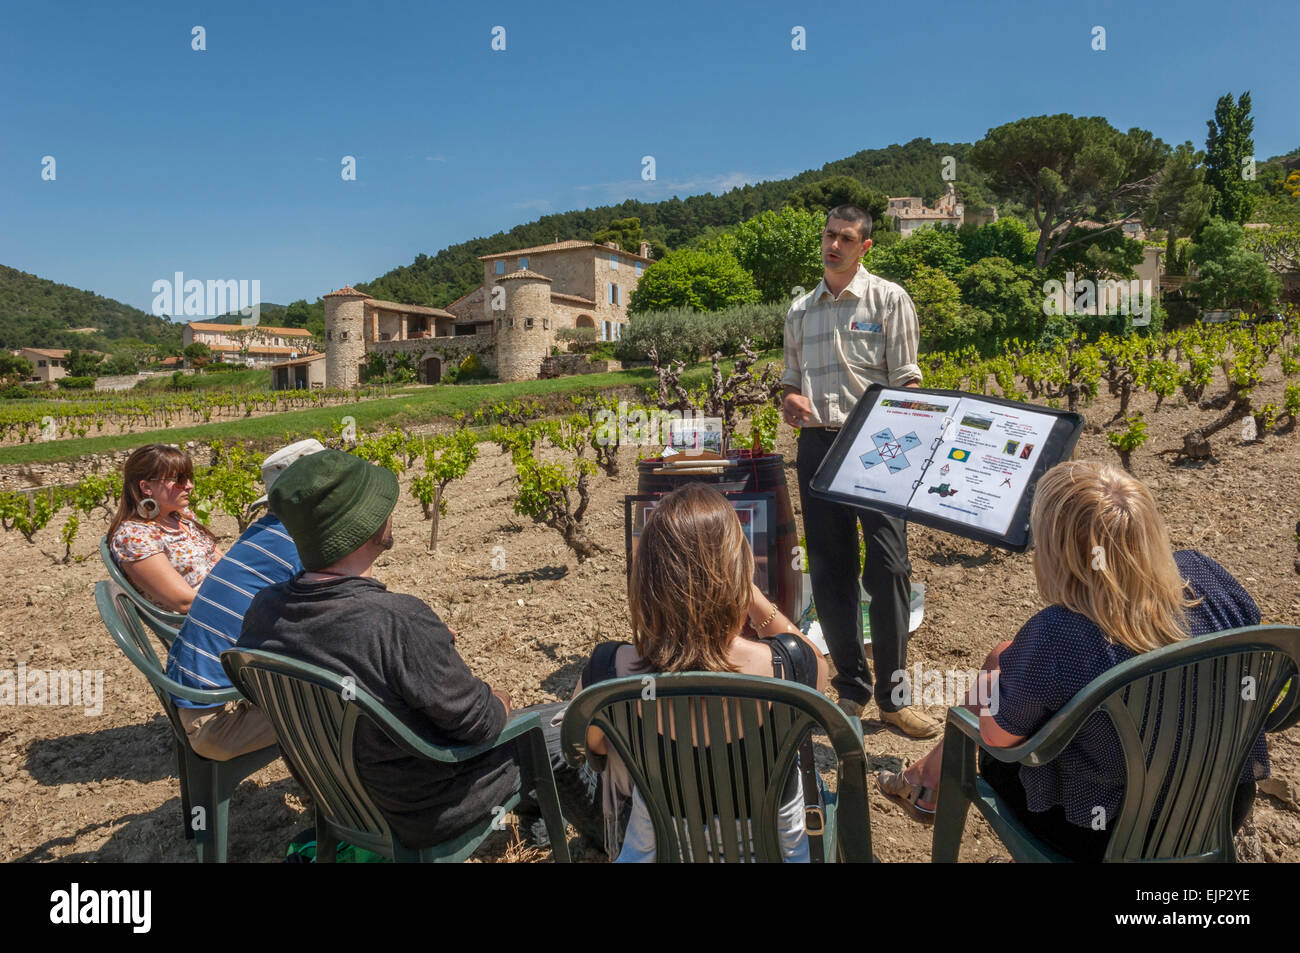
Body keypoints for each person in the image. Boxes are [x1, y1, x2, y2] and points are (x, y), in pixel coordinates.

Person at [876, 461, 1270, 861]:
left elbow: (996, 739)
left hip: (1106, 833)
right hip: (1220, 807)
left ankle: (925, 780)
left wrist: (988, 684)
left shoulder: (1060, 634)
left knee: (995, 706)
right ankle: (924, 777)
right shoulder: (1210, 577)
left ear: (1056, 548)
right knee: (1007, 661)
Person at [236, 450, 603, 851]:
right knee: (558, 726)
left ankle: (531, 835)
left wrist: (422, 651)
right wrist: (499, 697)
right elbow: (480, 725)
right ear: (369, 526)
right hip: (424, 810)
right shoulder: (396, 621)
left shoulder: (264, 610)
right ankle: (610, 839)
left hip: (341, 800)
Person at [572, 482, 829, 862]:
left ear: (647, 578)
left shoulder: (609, 671)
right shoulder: (786, 665)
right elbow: (819, 670)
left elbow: (589, 747)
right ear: (739, 573)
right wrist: (756, 601)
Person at [781, 204, 939, 739]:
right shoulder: (800, 310)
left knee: (891, 567)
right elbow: (789, 380)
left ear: (864, 246)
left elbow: (908, 380)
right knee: (830, 570)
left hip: (878, 447)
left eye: (846, 238)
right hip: (818, 446)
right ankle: (851, 689)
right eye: (829, 235)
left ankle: (895, 700)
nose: (834, 245)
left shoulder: (889, 299)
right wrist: (791, 399)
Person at [166, 439, 325, 762]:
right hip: (218, 726)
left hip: (202, 703)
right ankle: (342, 802)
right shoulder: (300, 541)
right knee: (346, 707)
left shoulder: (267, 532)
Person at [109, 444, 222, 613]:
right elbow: (184, 602)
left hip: (225, 604)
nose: (189, 485)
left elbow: (223, 562)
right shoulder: (134, 536)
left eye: (190, 477)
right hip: (206, 622)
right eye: (178, 480)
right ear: (146, 487)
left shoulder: (181, 517)